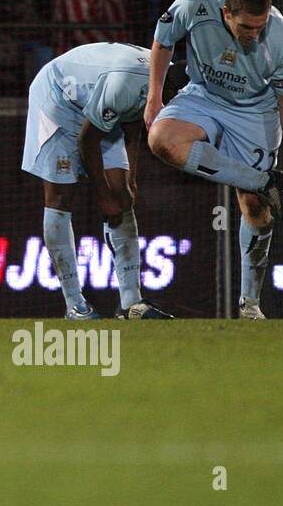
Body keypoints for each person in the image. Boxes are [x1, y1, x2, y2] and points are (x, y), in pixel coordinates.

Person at [145, 0, 283, 320]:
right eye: (246, 26)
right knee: (161, 139)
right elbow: (163, 41)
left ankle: (250, 305)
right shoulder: (194, 5)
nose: (255, 34)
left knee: (255, 210)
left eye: (261, 27)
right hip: (203, 96)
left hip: (255, 111)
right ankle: (261, 180)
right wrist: (154, 98)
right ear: (225, 13)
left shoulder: (282, 39)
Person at [22, 42, 178, 319]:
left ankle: (131, 304)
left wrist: (130, 179)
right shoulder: (125, 86)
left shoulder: (160, 82)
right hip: (57, 98)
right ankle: (74, 303)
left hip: (98, 105)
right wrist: (103, 195)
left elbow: (133, 126)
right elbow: (87, 139)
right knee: (61, 196)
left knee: (123, 198)